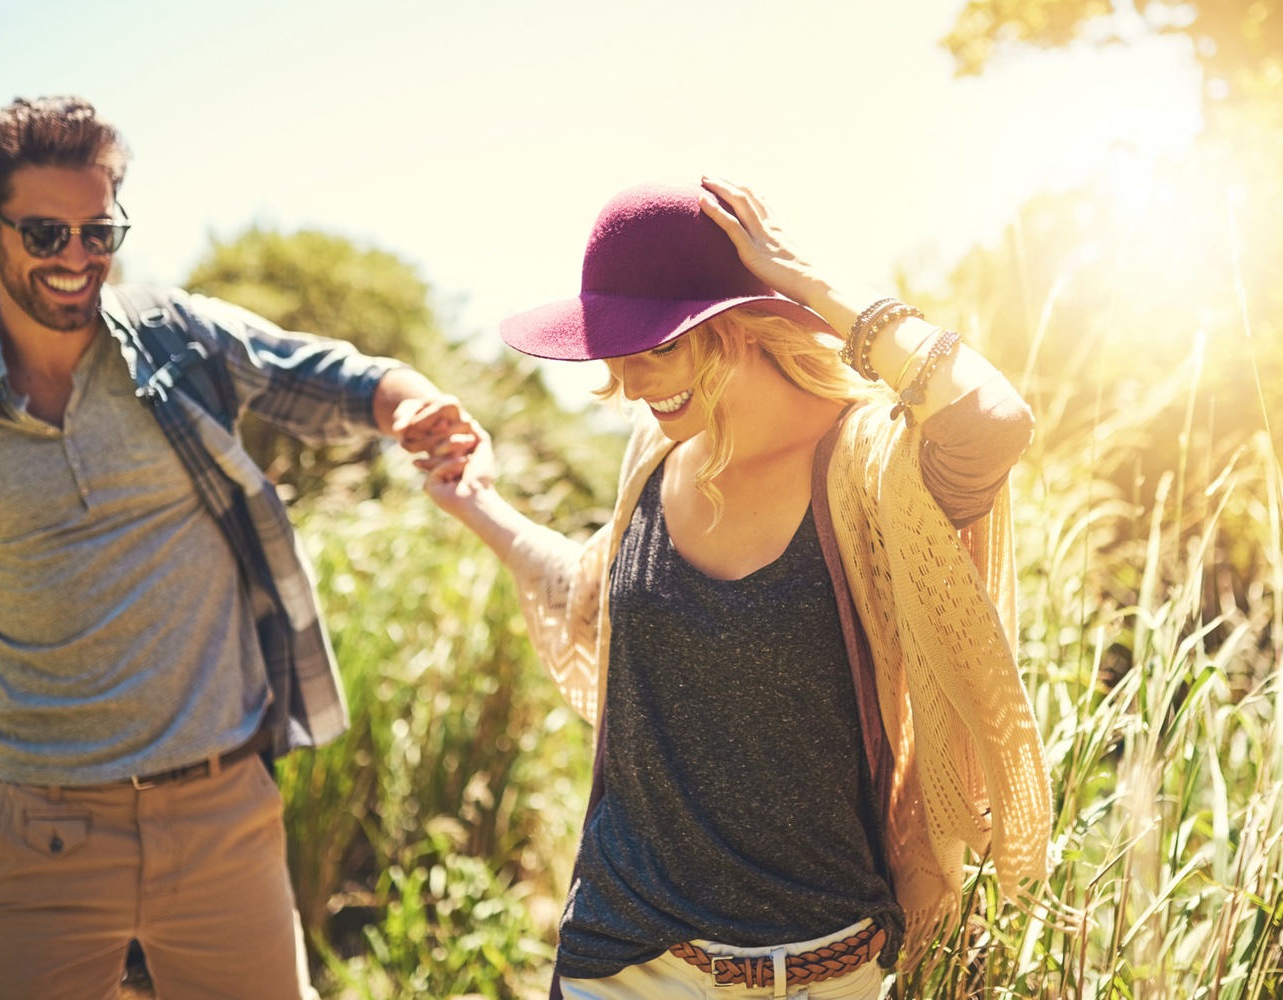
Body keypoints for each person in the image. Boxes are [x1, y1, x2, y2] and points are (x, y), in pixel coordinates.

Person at [0, 95, 479, 1000]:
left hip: (221, 818)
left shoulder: (180, 340)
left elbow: (332, 376)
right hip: (33, 831)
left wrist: (412, 405)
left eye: (99, 233)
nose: (77, 259)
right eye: (46, 233)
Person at [419, 179, 1053, 999]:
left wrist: (806, 279)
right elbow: (589, 594)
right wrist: (479, 507)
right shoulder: (652, 457)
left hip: (824, 968)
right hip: (623, 960)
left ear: (743, 322)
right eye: (617, 349)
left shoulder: (867, 471)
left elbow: (991, 423)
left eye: (660, 346)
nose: (636, 381)